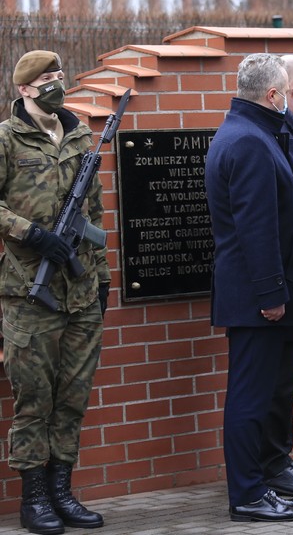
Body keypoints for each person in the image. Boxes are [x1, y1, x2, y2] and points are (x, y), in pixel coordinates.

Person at [205, 53, 293, 523]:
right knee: (250, 398)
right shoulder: (250, 142)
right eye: (289, 91)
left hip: (260, 294)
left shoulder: (254, 131)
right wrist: (272, 294)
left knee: (265, 393)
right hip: (256, 299)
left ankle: (261, 481)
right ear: (273, 95)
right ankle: (249, 494)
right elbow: (257, 229)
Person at [1, 50, 110, 534]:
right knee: (35, 400)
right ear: (25, 89)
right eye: (47, 79)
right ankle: (35, 499)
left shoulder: (80, 133)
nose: (57, 83)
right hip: (29, 292)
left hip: (80, 292)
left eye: (60, 76)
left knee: (72, 397)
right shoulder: (7, 139)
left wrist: (103, 278)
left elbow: (95, 214)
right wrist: (30, 233)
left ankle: (63, 492)